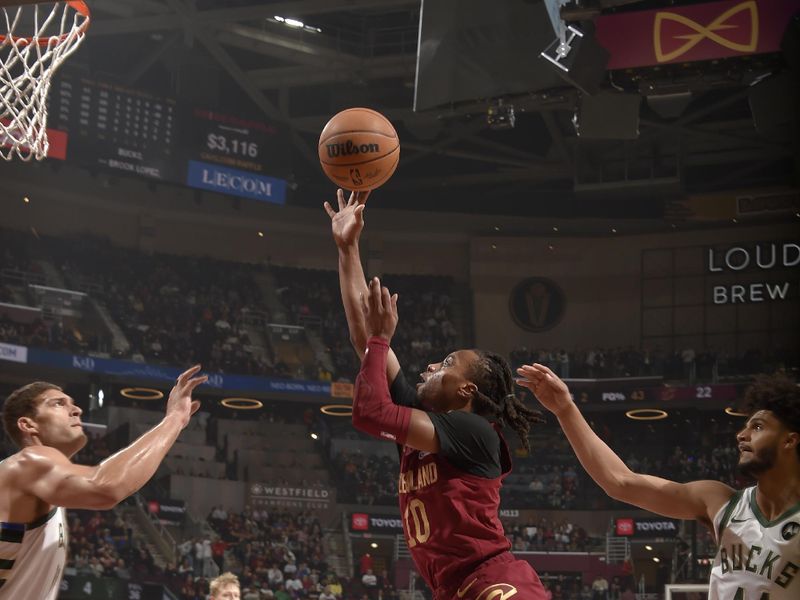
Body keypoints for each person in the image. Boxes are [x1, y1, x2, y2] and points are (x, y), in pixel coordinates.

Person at [325, 190, 546, 600]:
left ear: (466, 389)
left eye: (445, 363)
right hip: (453, 588)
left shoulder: (473, 430)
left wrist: (378, 340)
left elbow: (370, 411)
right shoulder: (424, 425)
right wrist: (348, 247)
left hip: (495, 581)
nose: (429, 367)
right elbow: (364, 338)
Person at [516, 365, 800, 600]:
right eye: (746, 425)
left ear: (790, 439)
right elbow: (620, 482)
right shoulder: (720, 501)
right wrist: (565, 410)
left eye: (758, 427)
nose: (742, 435)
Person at [0, 365, 207, 600]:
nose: (76, 409)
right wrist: (174, 419)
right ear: (28, 425)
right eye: (58, 403)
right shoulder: (29, 462)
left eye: (72, 402)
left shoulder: (34, 480)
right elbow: (107, 487)